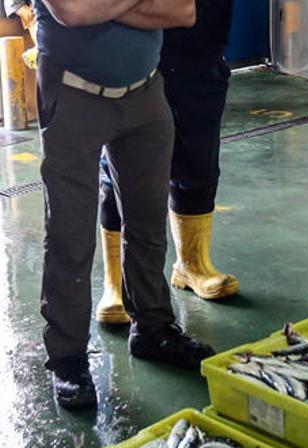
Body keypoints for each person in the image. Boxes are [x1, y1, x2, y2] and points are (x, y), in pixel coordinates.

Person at [36, 0, 216, 409]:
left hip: (145, 92)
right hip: (73, 92)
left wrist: (100, 4)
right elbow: (71, 11)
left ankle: (153, 329)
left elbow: (183, 11)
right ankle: (67, 357)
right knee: (69, 233)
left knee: (148, 221)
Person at [95, 0, 237, 325]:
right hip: (135, 54)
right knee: (120, 172)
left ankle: (192, 265)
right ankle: (116, 283)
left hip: (203, 49)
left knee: (198, 160)